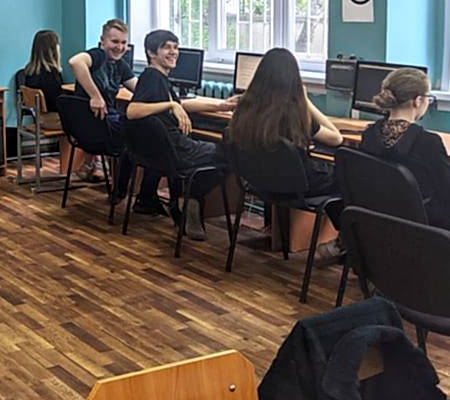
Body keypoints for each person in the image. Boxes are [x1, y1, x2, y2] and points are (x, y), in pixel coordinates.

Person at [228, 47, 344, 253]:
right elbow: (336, 138)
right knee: (348, 179)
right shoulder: (294, 114)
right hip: (298, 189)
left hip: (261, 185)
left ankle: (342, 240)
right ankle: (345, 240)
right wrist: (306, 101)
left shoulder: (244, 109)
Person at [124, 30, 238, 239]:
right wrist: (171, 106)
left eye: (175, 47)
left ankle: (175, 200)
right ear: (151, 53)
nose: (173, 52)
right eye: (166, 48)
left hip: (162, 154)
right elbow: (132, 111)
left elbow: (180, 103)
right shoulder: (153, 78)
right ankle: (192, 196)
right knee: (232, 153)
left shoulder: (157, 78)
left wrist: (220, 106)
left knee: (219, 149)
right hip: (178, 152)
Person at [360, 67, 450, 236]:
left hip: (385, 219)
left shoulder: (369, 135)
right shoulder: (428, 142)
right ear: (417, 101)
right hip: (427, 222)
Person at [67, 19, 138, 181]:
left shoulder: (120, 65)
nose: (120, 47)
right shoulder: (98, 56)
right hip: (92, 127)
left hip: (99, 125)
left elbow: (139, 88)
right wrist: (95, 96)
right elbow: (75, 62)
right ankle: (122, 184)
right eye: (114, 41)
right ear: (102, 41)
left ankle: (93, 164)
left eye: (124, 43)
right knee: (139, 133)